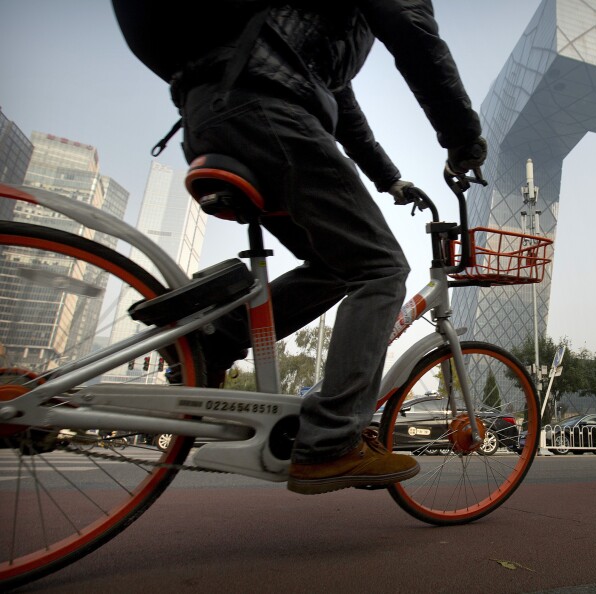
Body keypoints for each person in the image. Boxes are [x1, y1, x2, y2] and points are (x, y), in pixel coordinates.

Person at [112, 1, 487, 495]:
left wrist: (391, 180)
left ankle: (214, 341)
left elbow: (337, 98)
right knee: (382, 267)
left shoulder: (300, 27)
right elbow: (412, 31)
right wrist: (464, 139)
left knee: (337, 265)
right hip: (270, 110)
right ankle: (331, 442)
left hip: (213, 113)